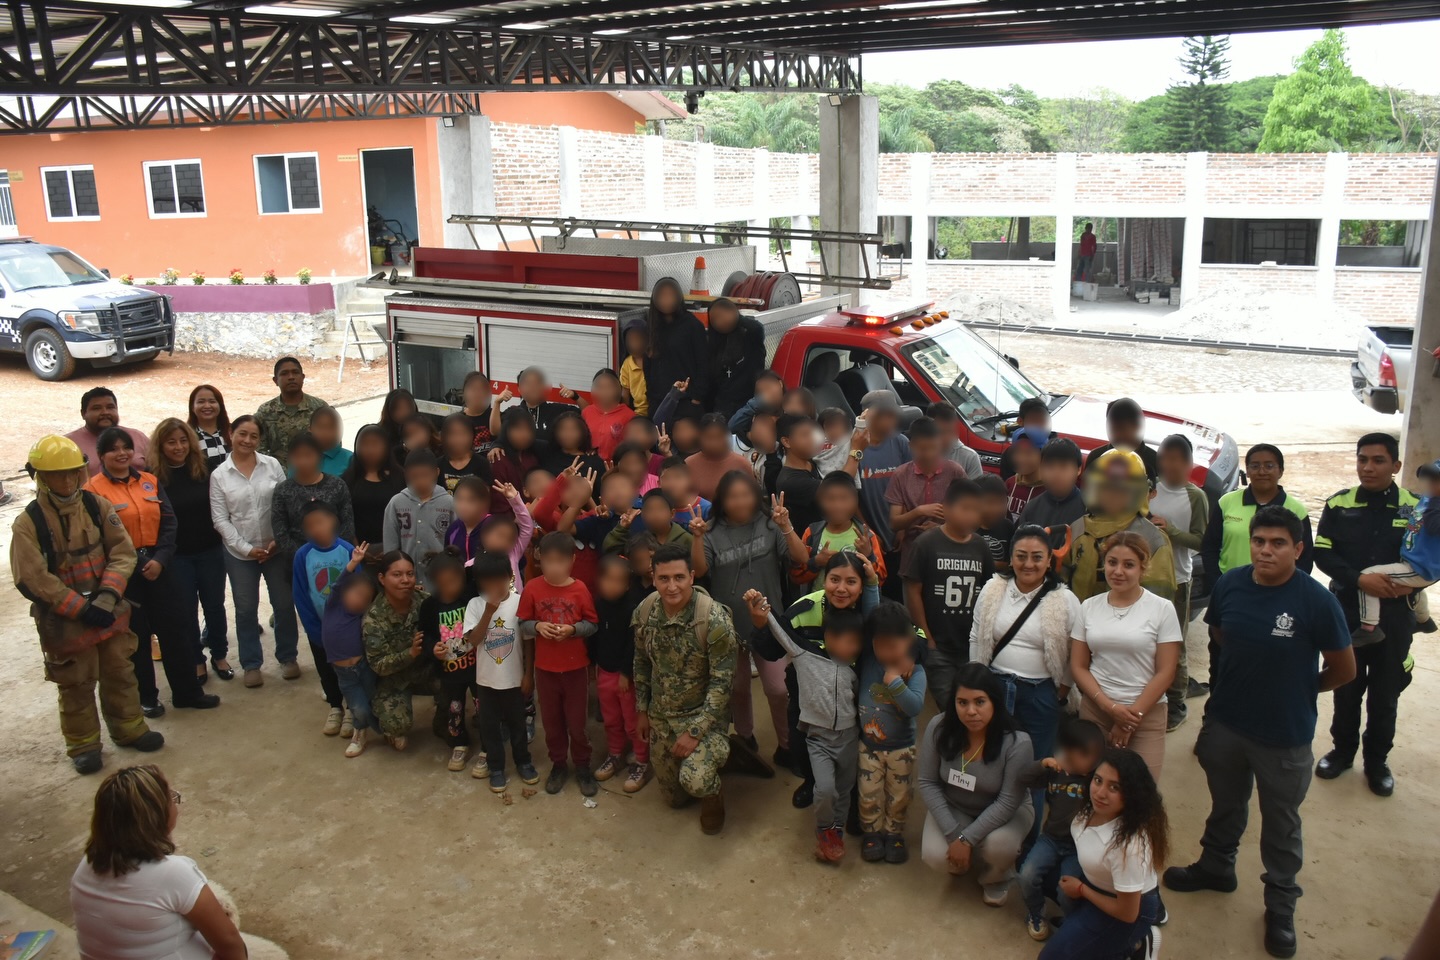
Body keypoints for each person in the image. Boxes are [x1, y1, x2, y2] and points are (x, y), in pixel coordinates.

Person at [1165, 506, 1354, 960]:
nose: (1266, 550)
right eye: (1259, 541)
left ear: (1298, 549)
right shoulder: (1231, 584)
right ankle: (1216, 867)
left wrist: (1298, 688)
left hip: (1283, 735)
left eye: (1278, 543)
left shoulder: (1315, 600)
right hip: (1228, 722)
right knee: (1226, 804)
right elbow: (1223, 638)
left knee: (1281, 823)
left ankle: (1281, 904)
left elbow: (1343, 669)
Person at [11, 436, 164, 774]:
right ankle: (83, 745)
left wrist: (107, 597)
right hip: (65, 619)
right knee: (76, 683)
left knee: (119, 672)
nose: (66, 481)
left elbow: (122, 553)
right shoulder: (29, 523)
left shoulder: (97, 507)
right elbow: (31, 577)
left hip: (108, 610)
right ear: (39, 476)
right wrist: (80, 608)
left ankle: (129, 728)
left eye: (72, 473)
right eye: (57, 474)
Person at [1314, 433, 1421, 798]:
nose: (1368, 467)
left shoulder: (1416, 508)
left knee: (1386, 691)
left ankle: (1377, 762)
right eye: (1363, 459)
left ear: (1396, 466)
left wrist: (1413, 586)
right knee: (1346, 686)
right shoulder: (1339, 504)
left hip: (1395, 616)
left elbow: (1429, 558)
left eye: (1378, 460)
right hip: (1347, 614)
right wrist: (1359, 579)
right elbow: (1322, 553)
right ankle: (1342, 752)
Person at [86, 428, 217, 715]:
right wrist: (133, 562)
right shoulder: (92, 491)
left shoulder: (149, 481)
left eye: (126, 448)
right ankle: (147, 698)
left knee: (176, 631)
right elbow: (98, 538)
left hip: (159, 567)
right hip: (124, 575)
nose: (121, 454)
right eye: (113, 449)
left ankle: (187, 693)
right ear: (101, 456)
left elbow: (168, 524)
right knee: (137, 638)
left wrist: (160, 559)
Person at [70, 765, 248, 960]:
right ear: (157, 814)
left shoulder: (86, 865)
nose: (175, 804)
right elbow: (230, 944)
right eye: (171, 798)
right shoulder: (173, 873)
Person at [970, 523, 1084, 817]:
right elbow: (976, 635)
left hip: (1040, 694)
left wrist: (1062, 691)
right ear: (1011, 558)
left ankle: (1026, 842)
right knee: (990, 762)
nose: (1028, 564)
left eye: (1037, 557)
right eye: (1021, 556)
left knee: (1035, 769)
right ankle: (986, 832)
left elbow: (1076, 651)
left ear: (1049, 560)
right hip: (993, 689)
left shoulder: (1065, 599)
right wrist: (974, 681)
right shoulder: (994, 588)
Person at [750, 552, 881, 807]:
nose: (841, 589)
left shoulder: (874, 608)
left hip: (856, 699)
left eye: (851, 582)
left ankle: (853, 796)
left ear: (862, 584)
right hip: (806, 699)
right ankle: (811, 783)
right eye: (834, 579)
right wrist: (760, 624)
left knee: (854, 754)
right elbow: (773, 650)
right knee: (801, 746)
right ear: (824, 579)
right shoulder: (804, 608)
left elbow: (912, 637)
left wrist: (908, 663)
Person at [692, 472, 806, 763]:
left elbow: (801, 558)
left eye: (746, 494)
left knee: (778, 689)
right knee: (738, 687)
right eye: (732, 496)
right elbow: (700, 571)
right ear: (722, 501)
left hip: (769, 622)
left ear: (756, 496)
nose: (740, 501)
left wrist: (786, 526)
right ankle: (745, 738)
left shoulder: (769, 524)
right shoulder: (711, 530)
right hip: (728, 626)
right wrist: (696, 538)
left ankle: (786, 745)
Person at [633, 543, 738, 834]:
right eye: (663, 578)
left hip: (703, 719)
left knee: (697, 782)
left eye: (679, 577)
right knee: (674, 800)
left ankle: (714, 792)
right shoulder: (645, 612)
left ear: (692, 576)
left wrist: (695, 732)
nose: (671, 586)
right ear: (653, 577)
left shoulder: (713, 620)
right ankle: (717, 759)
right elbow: (641, 662)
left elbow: (723, 682)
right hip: (662, 718)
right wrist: (642, 709)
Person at [753, 596, 863, 863]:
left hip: (849, 740)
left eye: (852, 642)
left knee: (845, 790)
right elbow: (784, 633)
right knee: (825, 789)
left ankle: (835, 833)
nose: (844, 646)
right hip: (819, 740)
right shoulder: (806, 656)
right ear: (826, 637)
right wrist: (764, 610)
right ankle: (825, 830)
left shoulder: (856, 670)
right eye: (838, 638)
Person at [917, 662, 1035, 906]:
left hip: (1007, 812)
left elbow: (1008, 800)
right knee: (933, 855)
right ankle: (962, 857)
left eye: (979, 701)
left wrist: (965, 840)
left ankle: (997, 878)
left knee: (1000, 846)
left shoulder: (1017, 742)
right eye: (963, 702)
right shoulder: (938, 728)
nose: (971, 711)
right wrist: (953, 835)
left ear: (994, 701)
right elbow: (927, 782)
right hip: (956, 806)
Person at [1071, 532, 1182, 781]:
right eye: (1112, 562)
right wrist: (1108, 707)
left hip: (1146, 713)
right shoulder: (1088, 607)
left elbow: (1166, 672)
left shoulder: (1162, 609)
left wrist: (1129, 720)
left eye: (1128, 564)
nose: (1118, 571)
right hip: (1096, 710)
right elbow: (1078, 666)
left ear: (1143, 568)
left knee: (1141, 794)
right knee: (1091, 786)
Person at [1038, 749, 1167, 960]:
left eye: (1114, 787)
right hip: (1099, 885)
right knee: (1039, 872)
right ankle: (1086, 931)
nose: (1100, 793)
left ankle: (1136, 944)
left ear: (1132, 793)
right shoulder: (1094, 808)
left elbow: (1127, 913)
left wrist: (1082, 890)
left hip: (1126, 910)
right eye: (1098, 780)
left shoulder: (1129, 846)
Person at [209, 414, 299, 689]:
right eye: (242, 434)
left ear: (260, 440)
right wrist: (247, 549)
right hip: (240, 555)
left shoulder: (272, 465)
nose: (247, 440)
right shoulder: (219, 475)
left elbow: (286, 504)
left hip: (275, 549)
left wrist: (277, 541)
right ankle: (251, 664)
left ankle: (288, 657)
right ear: (231, 435)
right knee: (246, 609)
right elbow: (220, 519)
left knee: (284, 604)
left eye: (254, 436)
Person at [149, 418, 231, 685]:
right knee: (186, 612)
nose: (179, 447)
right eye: (171, 442)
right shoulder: (152, 477)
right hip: (177, 557)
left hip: (210, 551)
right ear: (161, 445)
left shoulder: (205, 468)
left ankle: (220, 655)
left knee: (214, 607)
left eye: (183, 440)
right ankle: (196, 660)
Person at [519, 532, 599, 796]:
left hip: (575, 670)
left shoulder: (580, 589)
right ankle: (558, 765)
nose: (555, 567)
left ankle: (583, 766)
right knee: (552, 723)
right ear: (539, 559)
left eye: (561, 561)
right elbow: (523, 623)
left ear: (572, 561)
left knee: (577, 723)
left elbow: (592, 624)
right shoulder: (532, 588)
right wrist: (539, 625)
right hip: (545, 670)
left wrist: (572, 630)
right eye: (549, 561)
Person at [903, 479, 995, 709]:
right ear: (946, 507)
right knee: (950, 706)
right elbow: (912, 591)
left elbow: (990, 592)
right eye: (965, 508)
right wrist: (927, 637)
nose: (972, 516)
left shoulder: (981, 547)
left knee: (970, 704)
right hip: (938, 645)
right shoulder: (927, 543)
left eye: (976, 510)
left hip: (970, 644)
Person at [1018, 717, 1106, 941]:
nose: (1092, 761)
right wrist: (1042, 764)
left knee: (1066, 892)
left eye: (1093, 756)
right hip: (1050, 839)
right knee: (1027, 876)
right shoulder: (1055, 771)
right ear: (1065, 751)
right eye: (1083, 754)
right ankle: (1036, 913)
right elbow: (1022, 778)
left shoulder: (1096, 781)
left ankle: (1072, 923)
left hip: (1080, 846)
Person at [855, 600, 928, 865]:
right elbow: (870, 611)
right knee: (868, 792)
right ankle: (872, 833)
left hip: (902, 748)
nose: (886, 652)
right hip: (869, 746)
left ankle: (894, 833)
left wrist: (896, 684)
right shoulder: (869, 662)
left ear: (909, 641)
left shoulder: (915, 672)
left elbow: (915, 707)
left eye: (894, 645)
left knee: (900, 795)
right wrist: (873, 581)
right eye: (880, 645)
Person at [1148, 433, 1209, 731]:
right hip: (1146, 578)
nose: (1169, 465)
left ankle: (1177, 703)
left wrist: (1170, 530)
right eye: (1164, 458)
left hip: (1178, 581)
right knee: (1146, 642)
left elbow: (1200, 540)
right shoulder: (1149, 490)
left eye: (1176, 459)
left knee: (1174, 645)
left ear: (1188, 464)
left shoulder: (1195, 496)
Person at [464, 551, 537, 790]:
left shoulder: (520, 601)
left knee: (518, 725)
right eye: (486, 581)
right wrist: (488, 611)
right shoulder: (475, 605)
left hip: (514, 681)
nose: (493, 586)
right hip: (485, 682)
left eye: (499, 579)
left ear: (510, 577)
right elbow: (472, 641)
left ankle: (523, 763)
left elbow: (528, 640)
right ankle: (496, 767)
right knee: (490, 728)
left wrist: (528, 675)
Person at [1064, 448, 1176, 602]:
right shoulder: (1078, 528)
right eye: (1105, 486)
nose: (1112, 493)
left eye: (1122, 488)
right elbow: (1062, 583)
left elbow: (1157, 605)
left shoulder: (1153, 541)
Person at [1200, 443, 1314, 588]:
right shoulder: (1226, 502)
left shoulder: (1296, 511)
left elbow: (1305, 559)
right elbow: (1209, 546)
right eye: (1254, 466)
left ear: (1280, 471)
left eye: (1269, 466)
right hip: (1232, 588)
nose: (1262, 472)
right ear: (1246, 471)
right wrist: (1219, 583)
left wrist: (1287, 590)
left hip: (1278, 592)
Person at [1353, 457, 1440, 642]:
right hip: (1412, 560)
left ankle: (1369, 627)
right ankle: (1424, 620)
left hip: (1420, 568)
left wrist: (1434, 504)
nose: (1430, 483)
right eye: (1429, 479)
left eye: (1436, 480)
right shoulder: (1426, 499)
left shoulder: (1434, 504)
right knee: (1411, 589)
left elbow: (1433, 526)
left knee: (1369, 577)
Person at [290, 501, 354, 737]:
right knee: (326, 669)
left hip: (346, 628)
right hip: (319, 629)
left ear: (333, 521)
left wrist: (351, 624)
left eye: (321, 521)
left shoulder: (347, 550)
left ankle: (351, 709)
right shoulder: (302, 556)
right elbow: (301, 594)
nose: (317, 528)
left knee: (348, 669)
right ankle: (335, 706)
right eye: (310, 525)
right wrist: (314, 629)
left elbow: (357, 588)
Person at [589, 554, 651, 792]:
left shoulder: (632, 608)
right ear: (599, 580)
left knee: (633, 722)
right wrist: (592, 665)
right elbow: (594, 638)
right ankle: (615, 753)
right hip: (604, 671)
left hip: (627, 679)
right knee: (611, 719)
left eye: (619, 581)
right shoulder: (597, 604)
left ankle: (641, 760)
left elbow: (634, 644)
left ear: (627, 584)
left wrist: (626, 673)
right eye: (608, 579)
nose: (612, 585)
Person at [419, 547, 478, 772]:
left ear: (462, 577)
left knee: (483, 705)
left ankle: (488, 739)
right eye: (442, 584)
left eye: (453, 581)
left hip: (475, 668)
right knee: (455, 707)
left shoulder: (471, 599)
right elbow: (424, 634)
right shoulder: (429, 606)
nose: (449, 588)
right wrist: (432, 647)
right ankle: (458, 742)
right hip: (449, 672)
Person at [363, 550, 428, 750]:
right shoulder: (373, 619)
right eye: (397, 575)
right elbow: (378, 665)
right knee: (398, 726)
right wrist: (410, 653)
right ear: (382, 578)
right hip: (393, 680)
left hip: (425, 671)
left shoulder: (425, 601)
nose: (405, 580)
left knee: (453, 687)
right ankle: (390, 726)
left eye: (410, 574)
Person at [321, 545, 380, 758]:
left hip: (364, 667)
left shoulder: (362, 617)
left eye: (365, 599)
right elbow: (338, 584)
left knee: (373, 701)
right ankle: (359, 731)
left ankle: (384, 731)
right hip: (344, 674)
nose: (360, 600)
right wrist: (353, 563)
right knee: (359, 707)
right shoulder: (333, 606)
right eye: (357, 594)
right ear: (345, 592)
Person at [887, 417, 968, 572]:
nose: (929, 454)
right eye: (922, 449)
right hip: (913, 555)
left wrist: (941, 527)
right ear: (911, 446)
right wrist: (919, 511)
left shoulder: (955, 472)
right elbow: (894, 523)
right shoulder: (901, 475)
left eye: (933, 448)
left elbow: (970, 515)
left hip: (949, 554)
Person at [791, 471, 887, 590]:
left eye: (844, 499)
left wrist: (869, 556)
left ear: (855, 500)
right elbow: (796, 576)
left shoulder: (866, 536)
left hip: (857, 607)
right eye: (830, 499)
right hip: (819, 606)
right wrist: (816, 562)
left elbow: (880, 581)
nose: (837, 506)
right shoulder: (812, 533)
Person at [854, 392, 912, 589]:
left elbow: (908, 486)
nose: (891, 421)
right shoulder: (855, 445)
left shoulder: (901, 442)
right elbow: (852, 495)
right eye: (884, 415)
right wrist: (868, 530)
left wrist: (903, 526)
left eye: (893, 415)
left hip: (899, 532)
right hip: (869, 533)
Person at [270, 432, 357, 560]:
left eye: (308, 455)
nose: (303, 461)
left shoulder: (337, 485)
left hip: (337, 558)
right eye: (297, 456)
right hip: (299, 561)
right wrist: (304, 556)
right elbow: (280, 532)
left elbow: (347, 524)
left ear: (319, 456)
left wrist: (332, 551)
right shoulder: (283, 491)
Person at [777, 413, 865, 536]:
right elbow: (840, 487)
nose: (813, 439)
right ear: (786, 442)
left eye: (812, 434)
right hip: (815, 548)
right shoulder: (790, 481)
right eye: (805, 435)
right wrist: (857, 450)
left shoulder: (812, 462)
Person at [382, 449, 456, 591]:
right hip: (407, 582)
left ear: (436, 472)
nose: (421, 481)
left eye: (426, 475)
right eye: (414, 476)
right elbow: (391, 547)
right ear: (406, 475)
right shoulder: (397, 503)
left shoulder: (449, 503)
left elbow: (455, 544)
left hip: (440, 582)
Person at [643, 277, 710, 424]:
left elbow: (703, 364)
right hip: (659, 401)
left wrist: (697, 397)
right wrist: (651, 396)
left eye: (671, 295)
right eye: (661, 296)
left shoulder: (692, 325)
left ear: (679, 297)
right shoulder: (652, 324)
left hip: (685, 400)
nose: (666, 300)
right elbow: (647, 364)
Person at [254, 356, 326, 469]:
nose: (291, 377)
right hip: (277, 476)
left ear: (303, 377)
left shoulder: (319, 408)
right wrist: (277, 470)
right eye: (284, 373)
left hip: (314, 473)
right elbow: (258, 447)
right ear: (275, 380)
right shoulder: (266, 411)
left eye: (295, 372)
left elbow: (332, 442)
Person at [342, 424, 404, 554]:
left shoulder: (401, 478)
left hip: (395, 551)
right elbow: (345, 519)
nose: (370, 450)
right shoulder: (347, 480)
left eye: (375, 444)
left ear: (386, 447)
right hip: (358, 551)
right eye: (364, 444)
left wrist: (392, 548)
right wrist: (358, 550)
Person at [1019, 437, 1086, 553]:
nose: (1056, 474)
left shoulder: (1088, 510)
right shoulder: (1031, 508)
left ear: (1078, 469)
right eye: (1049, 466)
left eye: (1064, 466)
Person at [706, 297, 767, 421]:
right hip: (722, 406)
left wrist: (737, 319)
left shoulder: (750, 334)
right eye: (714, 319)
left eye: (722, 316)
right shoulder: (714, 342)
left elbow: (757, 328)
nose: (719, 322)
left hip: (748, 403)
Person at [68, 387, 150, 475]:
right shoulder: (69, 444)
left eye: (110, 407)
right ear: (83, 413)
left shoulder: (138, 437)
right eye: (97, 408)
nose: (105, 412)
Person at [1084, 398, 1158, 487]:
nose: (1119, 434)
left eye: (1122, 428)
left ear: (1137, 426)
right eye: (1113, 428)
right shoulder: (1096, 457)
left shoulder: (1156, 461)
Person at [492, 367, 579, 442]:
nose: (532, 387)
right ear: (519, 389)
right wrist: (497, 403)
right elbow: (495, 432)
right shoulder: (513, 412)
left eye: (537, 383)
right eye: (527, 383)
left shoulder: (557, 410)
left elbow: (586, 412)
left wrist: (576, 397)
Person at [687, 413, 753, 501]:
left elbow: (752, 497)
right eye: (709, 437)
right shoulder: (689, 464)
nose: (714, 443)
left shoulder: (742, 463)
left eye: (719, 437)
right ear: (700, 437)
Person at [576, 368, 634, 463]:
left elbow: (632, 447)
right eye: (599, 387)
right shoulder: (587, 412)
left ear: (618, 388)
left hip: (615, 469)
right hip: (589, 466)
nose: (604, 392)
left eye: (609, 387)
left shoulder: (629, 415)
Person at [604, 489, 692, 552]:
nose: (655, 514)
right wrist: (622, 528)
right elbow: (609, 550)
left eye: (660, 509)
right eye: (649, 510)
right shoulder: (638, 538)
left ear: (672, 514)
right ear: (642, 514)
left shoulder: (685, 539)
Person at [728, 369, 787, 448]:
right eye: (760, 392)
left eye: (768, 387)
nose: (766, 394)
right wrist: (757, 403)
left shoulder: (792, 405)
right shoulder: (757, 412)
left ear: (780, 384)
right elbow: (732, 427)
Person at [925, 402, 984, 479]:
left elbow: (976, 490)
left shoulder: (969, 457)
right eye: (941, 432)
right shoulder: (919, 453)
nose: (947, 438)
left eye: (951, 431)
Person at [438, 413, 494, 495]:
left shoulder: (482, 464)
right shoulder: (438, 465)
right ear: (444, 437)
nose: (458, 439)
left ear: (473, 436)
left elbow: (485, 495)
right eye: (452, 434)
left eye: (464, 434)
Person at [999, 397, 1051, 481]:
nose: (1039, 425)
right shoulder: (1010, 455)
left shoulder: (1053, 451)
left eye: (1043, 420)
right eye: (1034, 421)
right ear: (1020, 422)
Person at [187, 384, 231, 471]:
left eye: (212, 401)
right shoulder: (186, 436)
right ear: (192, 407)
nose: (207, 406)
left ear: (220, 405)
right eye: (201, 402)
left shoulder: (233, 431)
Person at [976, 473, 1015, 572]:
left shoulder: (1008, 527)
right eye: (990, 502)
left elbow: (1012, 563)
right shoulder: (968, 527)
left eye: (1001, 502)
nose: (996, 509)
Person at [308, 406, 352, 477]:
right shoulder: (300, 459)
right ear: (310, 429)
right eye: (320, 427)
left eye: (331, 428)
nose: (325, 433)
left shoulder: (350, 459)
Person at [459, 371, 496, 452]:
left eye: (481, 389)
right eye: (472, 389)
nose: (477, 393)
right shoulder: (457, 421)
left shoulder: (496, 416)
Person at [618, 318, 649, 416]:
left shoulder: (653, 360)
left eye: (638, 339)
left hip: (656, 408)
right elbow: (625, 395)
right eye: (631, 340)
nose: (635, 344)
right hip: (638, 413)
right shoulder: (627, 364)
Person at [378, 388, 419, 454]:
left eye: (408, 407)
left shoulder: (421, 428)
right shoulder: (379, 434)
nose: (405, 412)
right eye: (399, 408)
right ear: (389, 411)